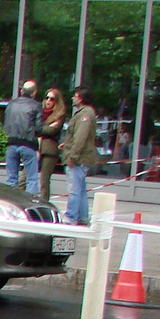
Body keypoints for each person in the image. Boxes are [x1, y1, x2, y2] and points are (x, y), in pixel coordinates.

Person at [61, 86, 98, 226]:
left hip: (79, 158)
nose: (73, 98)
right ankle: (82, 217)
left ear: (81, 98)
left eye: (75, 95)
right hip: (81, 157)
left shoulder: (85, 114)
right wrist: (66, 144)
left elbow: (81, 137)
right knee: (81, 188)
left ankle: (70, 216)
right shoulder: (84, 113)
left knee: (74, 188)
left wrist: (73, 156)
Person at [2, 81, 43, 197]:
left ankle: (11, 202)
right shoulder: (36, 106)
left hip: (11, 142)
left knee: (11, 179)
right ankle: (30, 204)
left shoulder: (11, 104)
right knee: (32, 179)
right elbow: (39, 128)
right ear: (34, 92)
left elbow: (6, 122)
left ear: (22, 91)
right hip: (28, 143)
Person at [38, 87, 67, 204]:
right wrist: (44, 128)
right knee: (25, 178)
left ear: (57, 101)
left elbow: (52, 131)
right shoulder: (39, 113)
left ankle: (44, 204)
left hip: (49, 150)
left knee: (44, 181)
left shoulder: (60, 115)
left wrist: (40, 129)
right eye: (47, 97)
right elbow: (33, 129)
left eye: (52, 99)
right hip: (35, 148)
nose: (49, 101)